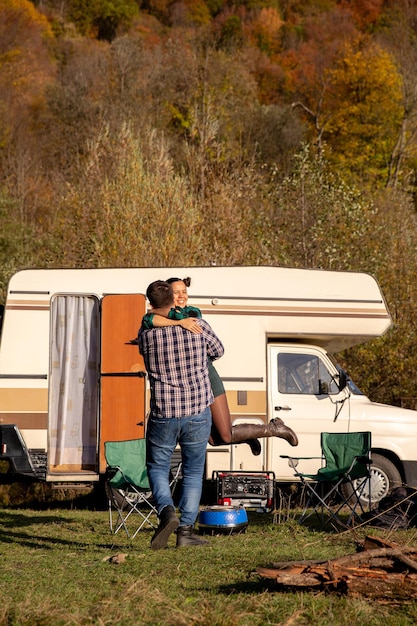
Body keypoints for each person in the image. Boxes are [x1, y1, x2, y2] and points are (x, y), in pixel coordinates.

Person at [142, 276, 298, 453]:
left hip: (207, 376)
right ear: (168, 295)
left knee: (224, 435)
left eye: (184, 292)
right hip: (187, 387)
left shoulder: (192, 314)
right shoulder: (165, 318)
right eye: (176, 292)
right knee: (212, 439)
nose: (181, 296)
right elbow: (148, 319)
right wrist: (179, 323)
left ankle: (274, 428)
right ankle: (247, 436)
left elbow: (217, 350)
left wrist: (181, 321)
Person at [138, 280, 225, 550]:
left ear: (150, 303)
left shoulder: (146, 333)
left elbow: (144, 339)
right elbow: (219, 351)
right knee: (193, 471)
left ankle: (166, 512)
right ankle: (185, 531)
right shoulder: (198, 326)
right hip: (198, 411)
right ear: (174, 300)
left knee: (157, 468)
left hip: (165, 412)